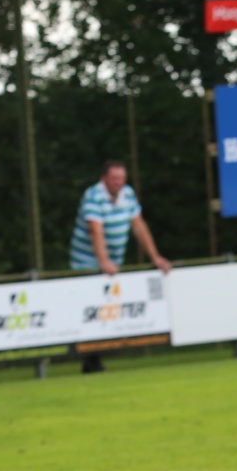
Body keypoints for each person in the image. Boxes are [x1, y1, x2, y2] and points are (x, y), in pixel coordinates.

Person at [69, 160, 172, 373]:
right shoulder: (93, 196)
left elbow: (139, 226)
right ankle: (90, 361)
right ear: (104, 179)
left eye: (121, 179)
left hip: (112, 263)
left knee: (106, 309)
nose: (118, 183)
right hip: (86, 263)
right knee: (93, 311)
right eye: (114, 179)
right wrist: (103, 261)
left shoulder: (128, 194)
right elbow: (95, 231)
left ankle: (93, 360)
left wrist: (155, 257)